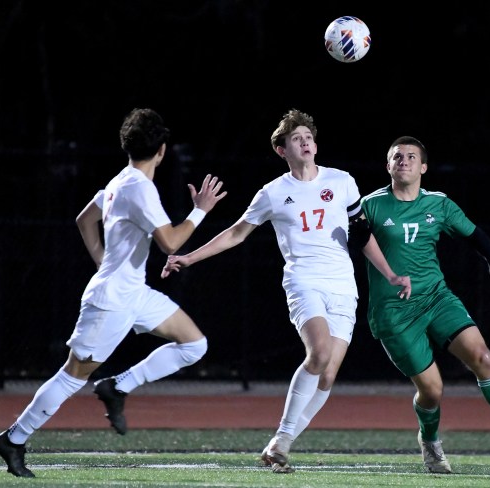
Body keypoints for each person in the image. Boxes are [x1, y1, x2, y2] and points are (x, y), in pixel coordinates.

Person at [161, 108, 411, 473]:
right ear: (282, 150)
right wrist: (189, 257)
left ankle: (280, 445)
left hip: (343, 285)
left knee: (327, 375)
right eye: (297, 139)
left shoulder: (342, 182)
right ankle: (282, 437)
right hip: (303, 281)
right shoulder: (273, 193)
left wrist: (389, 274)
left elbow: (362, 235)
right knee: (319, 352)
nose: (306, 142)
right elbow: (235, 233)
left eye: (308, 136)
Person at [0, 107, 227, 478]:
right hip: (111, 300)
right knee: (72, 375)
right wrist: (200, 211)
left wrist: (105, 261)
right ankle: (13, 439)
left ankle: (118, 385)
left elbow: (84, 219)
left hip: (133, 293)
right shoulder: (139, 188)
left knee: (195, 345)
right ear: (162, 150)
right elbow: (169, 242)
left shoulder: (121, 181)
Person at [360, 135, 490, 474]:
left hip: (436, 298)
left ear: (423, 167)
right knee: (432, 391)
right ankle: (430, 443)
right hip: (394, 312)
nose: (403, 160)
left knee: (484, 357)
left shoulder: (439, 204)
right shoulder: (371, 206)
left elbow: (473, 234)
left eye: (411, 156)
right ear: (387, 165)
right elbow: (344, 237)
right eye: (396, 156)